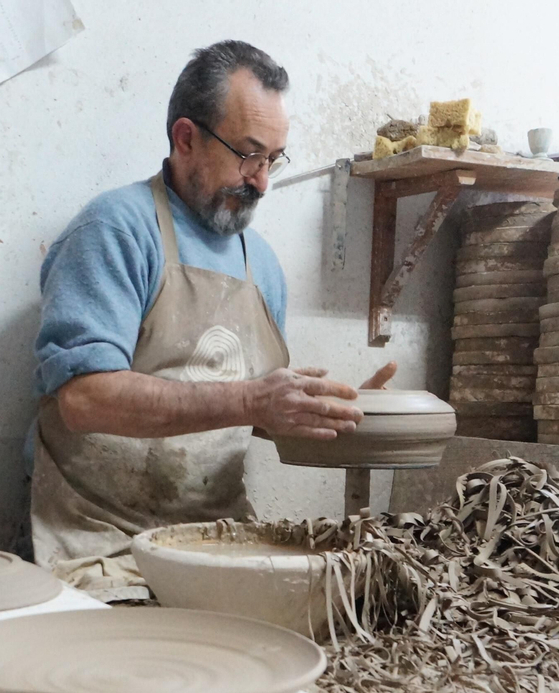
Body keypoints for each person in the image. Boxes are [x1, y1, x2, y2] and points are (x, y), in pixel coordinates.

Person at [29, 39, 393, 599]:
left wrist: (335, 412)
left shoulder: (262, 265)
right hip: (103, 547)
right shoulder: (115, 231)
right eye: (248, 155)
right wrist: (252, 401)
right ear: (185, 139)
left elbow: (259, 414)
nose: (262, 181)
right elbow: (83, 399)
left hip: (219, 542)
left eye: (273, 159)